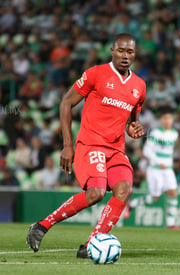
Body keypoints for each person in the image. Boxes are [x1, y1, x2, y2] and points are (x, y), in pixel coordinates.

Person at [26, 33, 146, 258]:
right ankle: (41, 226)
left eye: (130, 52)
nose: (125, 56)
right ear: (112, 51)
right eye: (121, 50)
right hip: (90, 144)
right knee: (96, 193)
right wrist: (67, 145)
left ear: (135, 54)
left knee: (125, 190)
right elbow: (66, 103)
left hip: (116, 149)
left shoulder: (139, 86)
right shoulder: (95, 74)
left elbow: (133, 123)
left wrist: (134, 130)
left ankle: (91, 244)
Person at [124, 107, 180, 229]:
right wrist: (158, 161)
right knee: (154, 198)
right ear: (161, 120)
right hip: (155, 169)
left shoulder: (174, 134)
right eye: (165, 118)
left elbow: (169, 151)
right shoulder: (155, 133)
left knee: (173, 193)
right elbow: (147, 150)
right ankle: (132, 204)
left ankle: (171, 224)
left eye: (170, 118)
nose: (168, 121)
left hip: (168, 170)